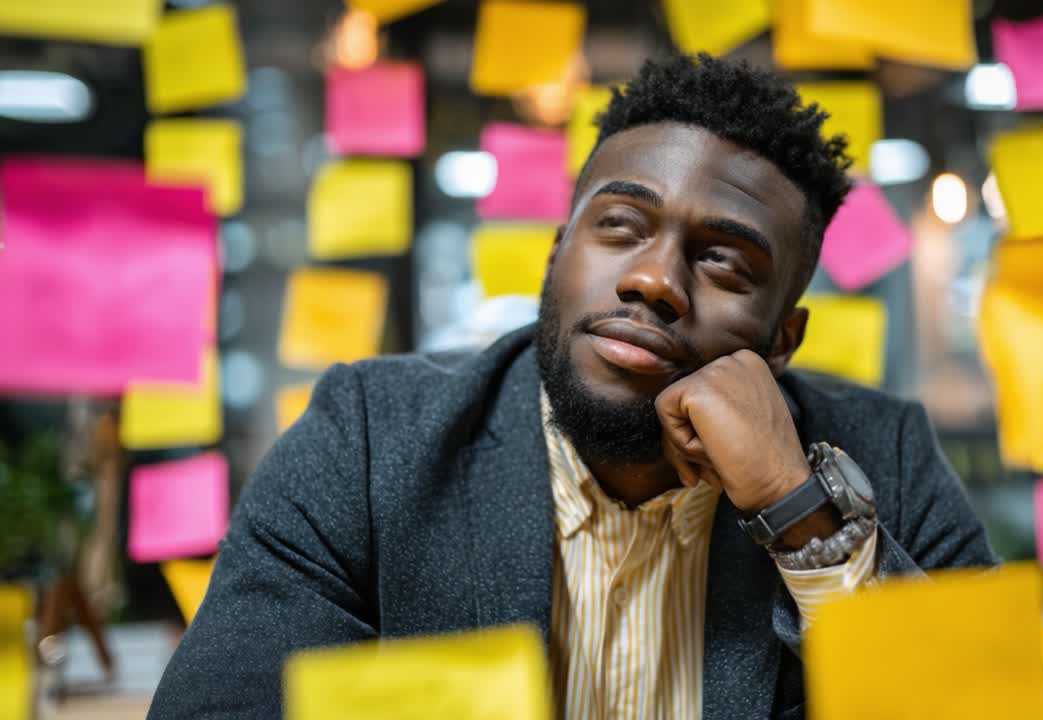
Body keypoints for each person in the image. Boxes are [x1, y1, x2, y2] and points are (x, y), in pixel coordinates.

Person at [148, 53, 996, 719]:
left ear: (782, 340)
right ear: (557, 254)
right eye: (620, 226)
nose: (655, 281)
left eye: (723, 262)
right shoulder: (369, 442)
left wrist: (799, 512)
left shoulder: (886, 457)